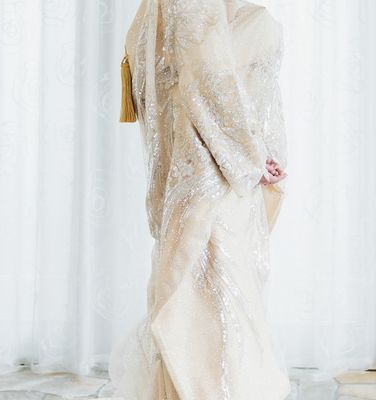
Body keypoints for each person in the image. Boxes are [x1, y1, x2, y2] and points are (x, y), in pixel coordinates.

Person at [108, 0, 290, 398]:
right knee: (212, 317)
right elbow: (207, 76)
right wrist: (250, 155)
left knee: (200, 311)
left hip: (199, 176)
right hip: (213, 180)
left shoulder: (155, 11)